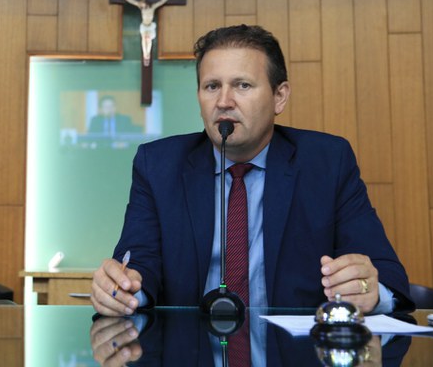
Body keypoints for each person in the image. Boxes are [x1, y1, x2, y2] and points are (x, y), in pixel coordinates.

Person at [91, 25, 412, 317]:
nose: (224, 101)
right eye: (211, 86)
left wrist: (369, 290)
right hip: (190, 348)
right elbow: (139, 263)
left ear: (279, 97)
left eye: (242, 85)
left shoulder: (327, 162)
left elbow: (386, 274)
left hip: (297, 350)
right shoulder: (158, 165)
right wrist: (126, 289)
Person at [118, 0, 175, 66]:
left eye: (142, 3)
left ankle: (147, 54)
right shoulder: (142, 8)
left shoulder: (153, 7)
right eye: (140, 4)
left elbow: (161, 2)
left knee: (148, 39)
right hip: (144, 26)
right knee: (145, 38)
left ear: (145, 3)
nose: (140, 5)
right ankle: (146, 54)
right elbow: (132, 1)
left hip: (150, 26)